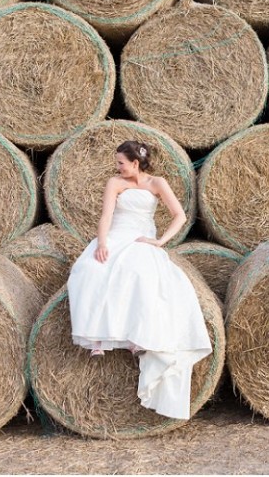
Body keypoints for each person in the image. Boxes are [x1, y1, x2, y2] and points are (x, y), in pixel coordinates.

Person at [67, 141, 212, 420]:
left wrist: (160, 241)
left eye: (121, 162)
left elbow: (180, 215)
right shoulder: (115, 183)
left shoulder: (157, 183)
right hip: (116, 236)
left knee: (140, 275)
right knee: (88, 271)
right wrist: (102, 243)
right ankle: (99, 335)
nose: (117, 167)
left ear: (135, 163)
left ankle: (138, 336)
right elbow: (106, 216)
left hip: (142, 238)